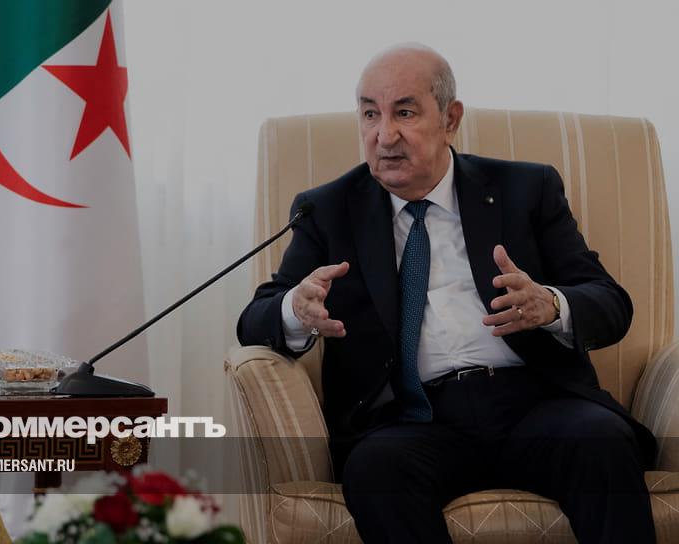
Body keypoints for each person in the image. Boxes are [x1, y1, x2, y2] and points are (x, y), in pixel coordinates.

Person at [236, 43, 656, 543]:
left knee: (601, 442)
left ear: (450, 119)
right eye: (370, 114)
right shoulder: (328, 211)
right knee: (376, 472)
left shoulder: (526, 189)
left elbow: (610, 302)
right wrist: (295, 310)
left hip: (537, 405)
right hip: (415, 420)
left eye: (404, 112)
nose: (383, 135)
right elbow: (255, 318)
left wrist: (551, 305)